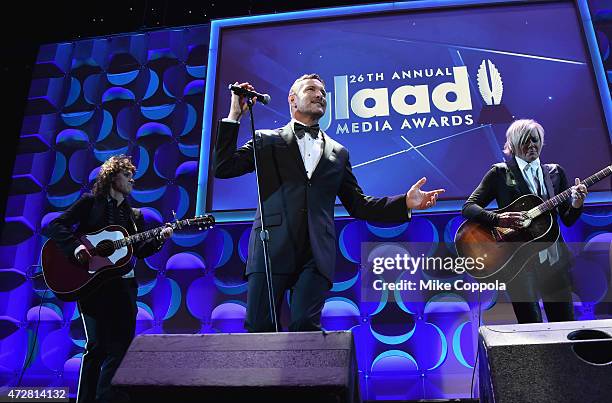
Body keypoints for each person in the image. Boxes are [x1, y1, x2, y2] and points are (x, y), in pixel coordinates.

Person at [214, 74, 445, 332]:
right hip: (270, 248)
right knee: (260, 327)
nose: (320, 95)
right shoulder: (266, 139)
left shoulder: (338, 152)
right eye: (312, 89)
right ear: (292, 99)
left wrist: (405, 203)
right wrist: (234, 115)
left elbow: (359, 204)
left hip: (316, 253)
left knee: (305, 327)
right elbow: (223, 168)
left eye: (323, 92)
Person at [48, 155, 173, 403]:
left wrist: (160, 238)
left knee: (121, 346)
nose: (132, 180)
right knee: (97, 346)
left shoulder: (134, 215)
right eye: (127, 175)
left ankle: (106, 400)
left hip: (123, 287)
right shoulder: (89, 203)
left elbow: (138, 251)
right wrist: (76, 248)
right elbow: (56, 225)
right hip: (92, 286)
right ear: (112, 176)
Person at [462, 119, 588, 323]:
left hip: (554, 260)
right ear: (511, 146)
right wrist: (498, 219)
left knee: (564, 326)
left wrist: (576, 203)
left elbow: (568, 220)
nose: (531, 145)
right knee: (531, 330)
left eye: (535, 140)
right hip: (518, 264)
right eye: (525, 141)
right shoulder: (500, 173)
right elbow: (469, 207)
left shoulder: (555, 172)